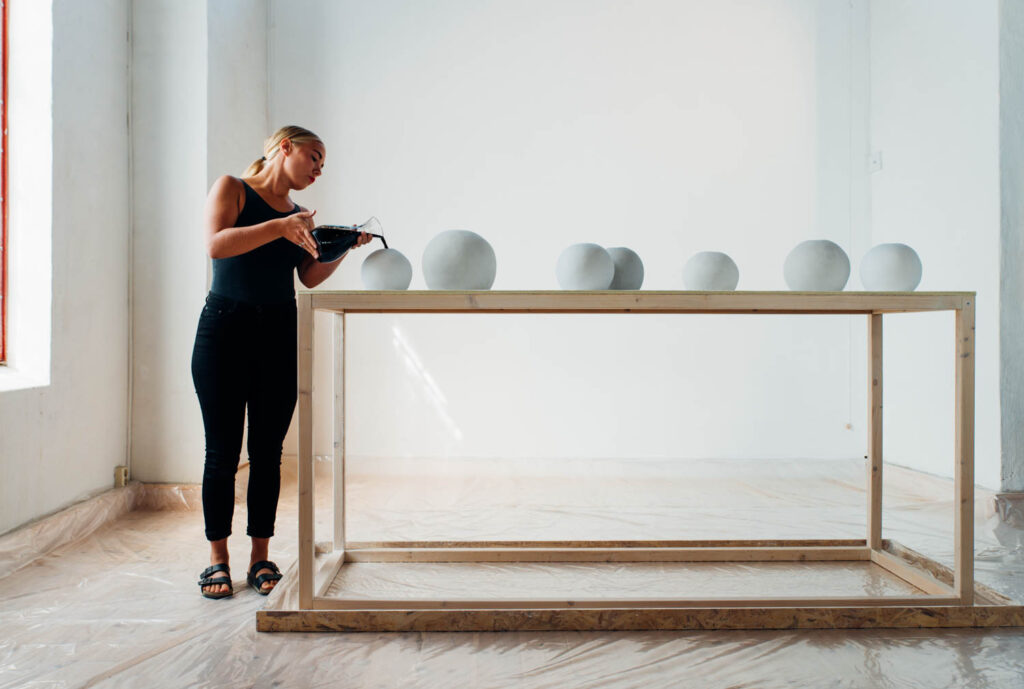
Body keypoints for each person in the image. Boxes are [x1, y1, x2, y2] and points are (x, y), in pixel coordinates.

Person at [192, 125, 372, 599]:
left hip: (277, 333)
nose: (317, 169)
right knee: (222, 453)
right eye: (313, 157)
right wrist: (280, 226)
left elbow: (309, 278)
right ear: (284, 148)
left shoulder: (299, 218)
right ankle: (217, 560)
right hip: (223, 332)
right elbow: (216, 244)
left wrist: (340, 248)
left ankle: (260, 557)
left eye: (323, 165)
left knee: (269, 453)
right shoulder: (232, 188)